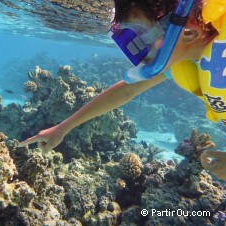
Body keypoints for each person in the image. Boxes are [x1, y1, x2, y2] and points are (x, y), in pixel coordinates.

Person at [20, 0, 226, 181]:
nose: (140, 56)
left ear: (188, 31)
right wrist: (62, 128)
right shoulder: (186, 56)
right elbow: (126, 91)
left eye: (139, 37)